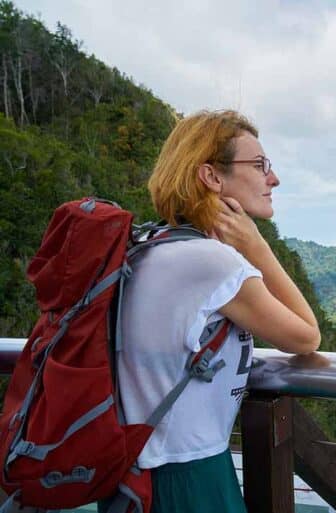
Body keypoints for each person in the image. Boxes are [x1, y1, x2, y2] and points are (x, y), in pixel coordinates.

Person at [104, 110, 321, 513]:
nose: (273, 178)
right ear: (212, 177)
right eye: (260, 165)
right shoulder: (212, 263)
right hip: (189, 474)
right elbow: (307, 336)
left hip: (134, 471)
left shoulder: (150, 244)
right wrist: (257, 247)